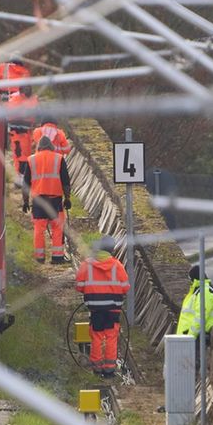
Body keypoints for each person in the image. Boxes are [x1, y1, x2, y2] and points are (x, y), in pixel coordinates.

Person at [75, 238, 130, 378]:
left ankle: (97, 367)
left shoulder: (86, 265)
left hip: (95, 308)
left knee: (97, 336)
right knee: (111, 336)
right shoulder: (117, 266)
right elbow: (125, 287)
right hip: (113, 308)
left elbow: (79, 286)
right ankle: (109, 369)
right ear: (111, 249)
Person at [23, 135, 71, 264]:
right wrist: (67, 199)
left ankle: (39, 258)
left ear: (38, 147)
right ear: (51, 147)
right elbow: (66, 182)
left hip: (38, 200)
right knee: (57, 228)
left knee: (39, 229)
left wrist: (25, 201)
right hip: (55, 200)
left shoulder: (31, 159)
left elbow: (26, 184)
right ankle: (57, 257)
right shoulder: (59, 158)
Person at [6, 88, 38, 212]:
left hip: (25, 133)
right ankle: (21, 178)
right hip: (19, 134)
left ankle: (22, 178)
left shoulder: (29, 99)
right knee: (20, 157)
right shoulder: (15, 101)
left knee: (23, 156)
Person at [176, 264, 213, 337]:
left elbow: (200, 318)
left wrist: (190, 336)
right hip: (189, 336)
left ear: (194, 279)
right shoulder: (199, 290)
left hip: (195, 337)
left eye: (190, 279)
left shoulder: (205, 292)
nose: (190, 281)